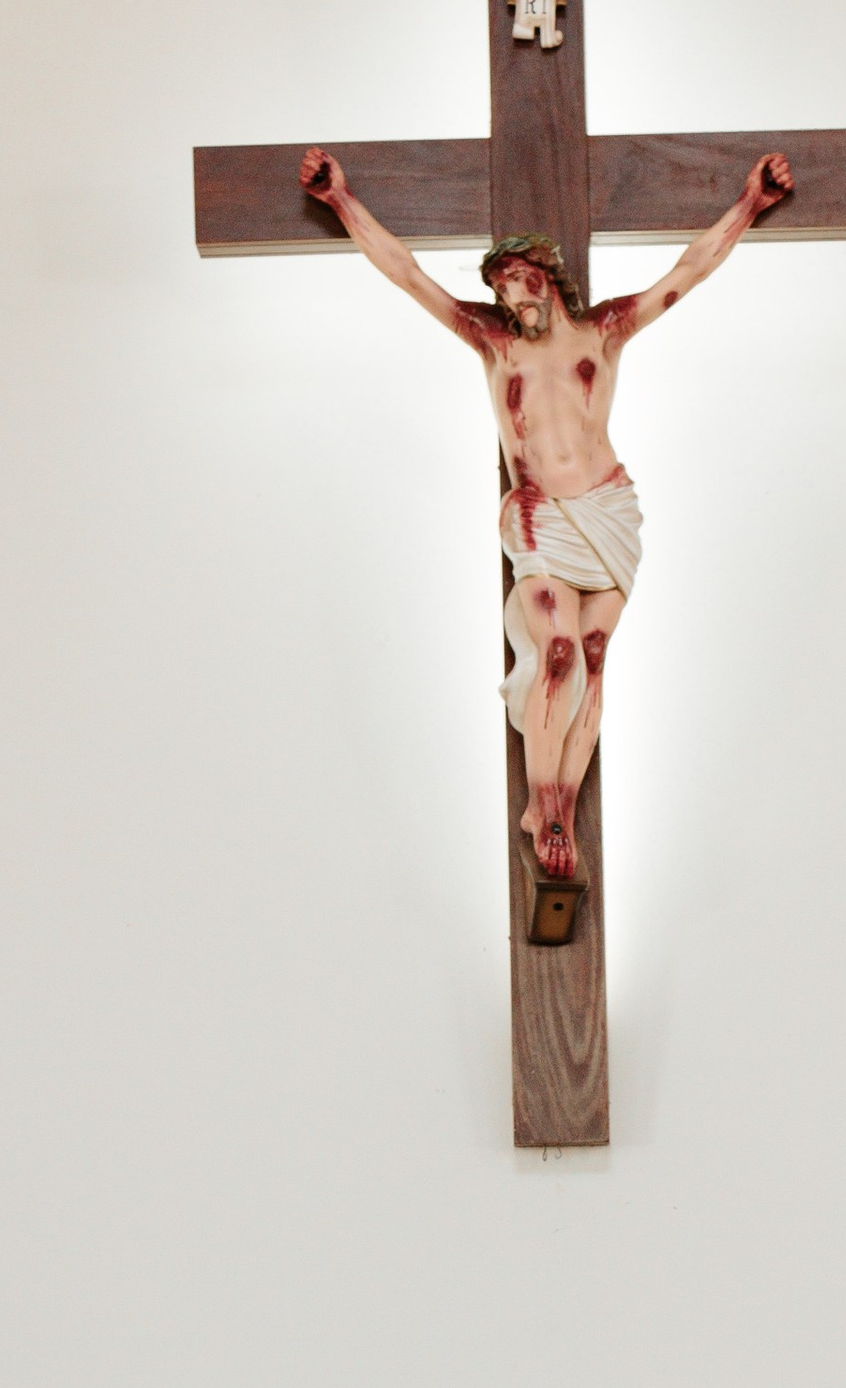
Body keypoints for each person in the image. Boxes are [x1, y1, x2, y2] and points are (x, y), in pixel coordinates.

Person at [296, 145, 796, 882]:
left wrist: (751, 204)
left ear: (547, 275)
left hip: (608, 511)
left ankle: (562, 799)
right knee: (556, 651)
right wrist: (340, 200)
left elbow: (688, 271)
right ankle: (545, 806)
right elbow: (407, 273)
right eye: (499, 290)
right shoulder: (493, 342)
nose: (510, 300)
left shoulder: (606, 331)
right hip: (539, 517)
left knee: (592, 658)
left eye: (518, 282)